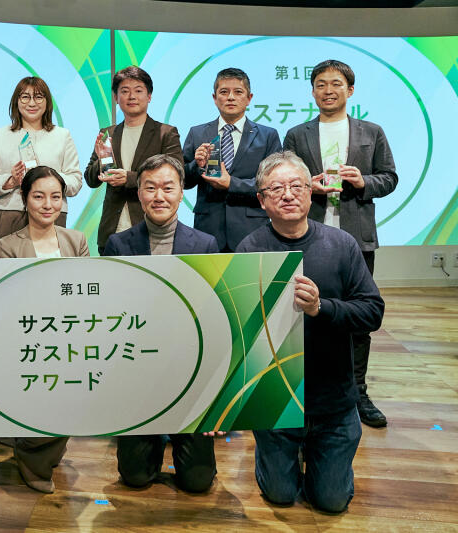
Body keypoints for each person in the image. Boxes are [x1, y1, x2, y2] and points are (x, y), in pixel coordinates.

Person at [236, 151, 384, 513]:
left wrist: (322, 308)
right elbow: (238, 332)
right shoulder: (249, 250)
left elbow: (372, 312)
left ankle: (323, 455)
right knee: (281, 495)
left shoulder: (342, 245)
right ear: (262, 200)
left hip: (332, 399)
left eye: (296, 186)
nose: (288, 194)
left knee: (331, 501)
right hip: (276, 399)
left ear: (310, 191)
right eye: (276, 188)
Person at [283, 59, 397, 428]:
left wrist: (363, 182)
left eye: (335, 83)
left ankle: (357, 390)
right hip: (307, 235)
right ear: (312, 91)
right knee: (302, 312)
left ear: (350, 90)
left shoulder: (372, 132)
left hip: (356, 239)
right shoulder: (297, 134)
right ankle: (300, 386)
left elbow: (390, 178)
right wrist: (307, 186)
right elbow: (285, 177)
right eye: (320, 84)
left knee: (357, 317)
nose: (328, 90)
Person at [103, 154, 219, 493]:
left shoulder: (205, 245)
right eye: (150, 188)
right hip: (138, 369)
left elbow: (215, 321)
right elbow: (109, 313)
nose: (159, 196)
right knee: (136, 478)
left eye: (168, 188)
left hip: (189, 369)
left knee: (198, 483)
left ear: (182, 192)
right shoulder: (118, 245)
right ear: (138, 193)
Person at [0, 166, 88, 492]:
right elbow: (8, 302)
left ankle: (41, 446)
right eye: (39, 196)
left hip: (72, 336)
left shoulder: (76, 240)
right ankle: (31, 458)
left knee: (71, 400)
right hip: (29, 339)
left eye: (55, 197)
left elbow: (88, 293)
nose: (48, 205)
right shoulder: (7, 245)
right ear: (24, 198)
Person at [84, 66, 183, 254]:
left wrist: (129, 178)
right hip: (111, 229)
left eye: (138, 91)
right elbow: (90, 180)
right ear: (116, 97)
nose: (131, 97)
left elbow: (177, 176)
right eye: (124, 91)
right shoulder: (108, 133)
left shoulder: (165, 133)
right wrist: (101, 158)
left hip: (150, 227)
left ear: (149, 96)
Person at [182, 67, 282, 251]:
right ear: (214, 98)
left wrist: (231, 184)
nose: (230, 97)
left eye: (238, 92)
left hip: (251, 228)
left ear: (249, 98)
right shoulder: (197, 133)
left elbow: (273, 185)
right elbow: (183, 181)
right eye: (224, 92)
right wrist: (197, 165)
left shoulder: (268, 136)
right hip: (208, 228)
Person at [0, 77, 82, 257]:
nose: (32, 103)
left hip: (51, 214)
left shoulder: (62, 135)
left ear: (47, 102)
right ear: (16, 101)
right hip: (9, 213)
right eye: (25, 97)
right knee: (4, 271)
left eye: (39, 97)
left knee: (52, 270)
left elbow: (75, 181)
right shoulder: (0, 135)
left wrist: (50, 181)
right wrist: (11, 181)